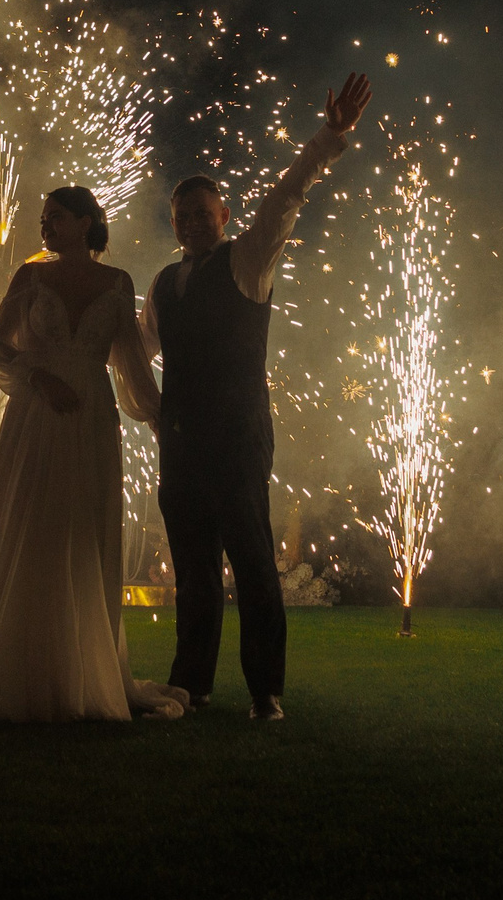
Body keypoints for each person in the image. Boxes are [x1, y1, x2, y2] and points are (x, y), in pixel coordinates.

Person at [0, 185, 188, 726]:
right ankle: (16, 672)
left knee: (82, 535)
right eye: (42, 219)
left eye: (55, 217)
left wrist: (161, 418)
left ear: (86, 223)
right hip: (36, 417)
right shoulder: (30, 278)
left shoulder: (118, 282)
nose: (45, 227)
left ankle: (81, 672)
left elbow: (130, 360)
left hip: (91, 420)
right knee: (28, 529)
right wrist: (36, 376)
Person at [146, 72, 372, 719]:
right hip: (180, 446)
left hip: (238, 438)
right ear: (174, 222)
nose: (191, 222)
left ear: (224, 217)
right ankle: (191, 685)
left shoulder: (247, 260)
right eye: (181, 215)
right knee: (192, 571)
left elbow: (288, 194)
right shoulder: (163, 283)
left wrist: (330, 136)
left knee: (251, 563)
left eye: (202, 213)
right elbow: (138, 356)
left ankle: (266, 692)